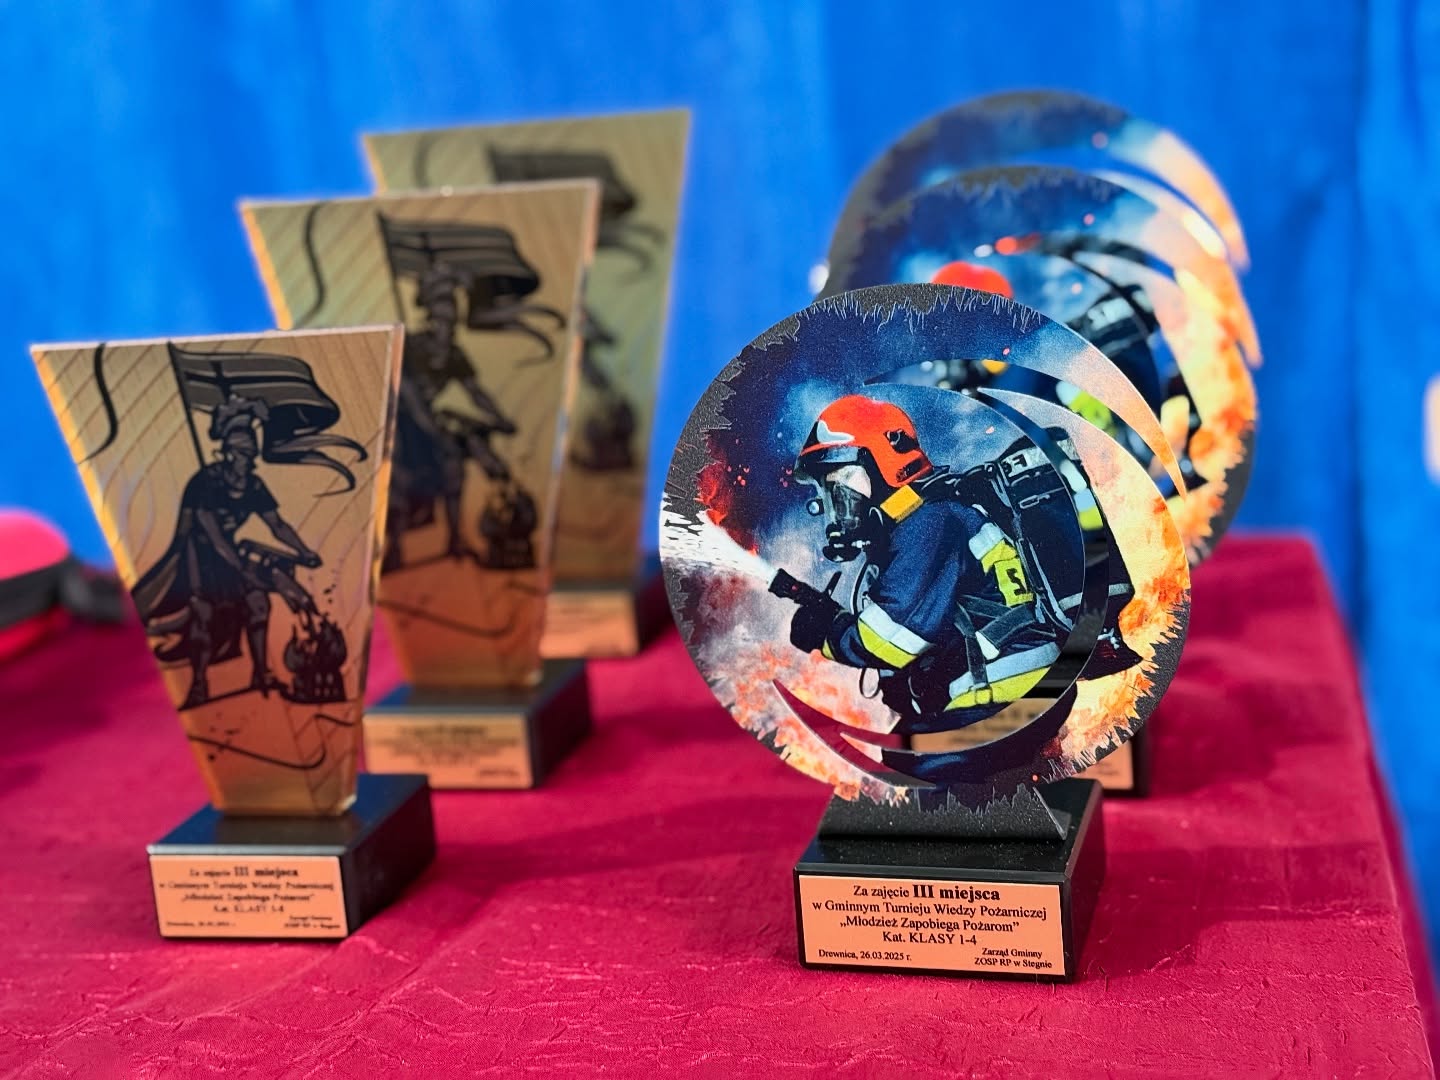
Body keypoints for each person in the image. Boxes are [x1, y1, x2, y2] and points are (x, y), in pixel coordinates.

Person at [785, 395, 1064, 733]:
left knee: (912, 755)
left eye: (843, 477)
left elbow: (888, 641)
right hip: (1016, 688)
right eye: (828, 488)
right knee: (904, 745)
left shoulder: (929, 523)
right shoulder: (918, 526)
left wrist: (826, 632)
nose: (836, 499)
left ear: (884, 464)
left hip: (1012, 690)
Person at [133, 398, 322, 709]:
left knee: (258, 605)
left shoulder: (254, 485)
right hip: (197, 557)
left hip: (231, 553)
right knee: (204, 616)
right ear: (229, 451)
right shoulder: (205, 482)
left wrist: (303, 550)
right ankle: (198, 684)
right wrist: (243, 569)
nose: (249, 460)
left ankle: (261, 673)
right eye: (243, 453)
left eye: (251, 453)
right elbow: (213, 535)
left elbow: (277, 524)